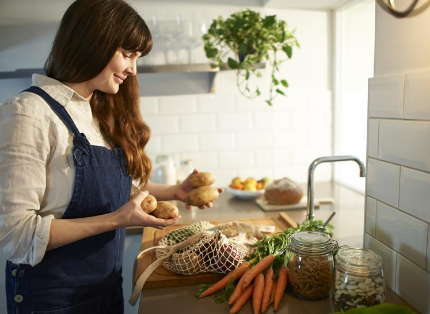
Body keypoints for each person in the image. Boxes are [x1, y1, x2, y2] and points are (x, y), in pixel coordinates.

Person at [0, 0, 222, 313]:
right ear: (93, 42)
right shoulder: (28, 113)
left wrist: (176, 192)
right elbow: (16, 236)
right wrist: (117, 220)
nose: (132, 69)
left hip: (105, 290)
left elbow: (111, 189)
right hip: (53, 301)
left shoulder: (96, 111)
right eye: (128, 54)